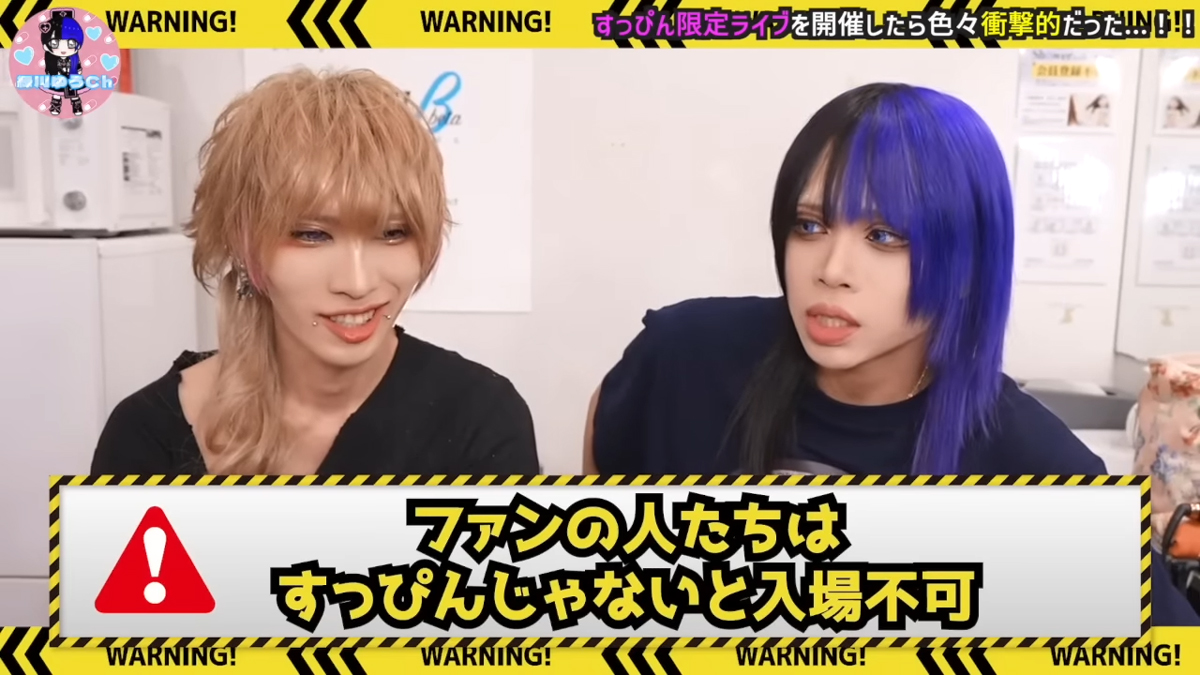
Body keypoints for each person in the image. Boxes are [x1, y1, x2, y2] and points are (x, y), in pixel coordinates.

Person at [582, 83, 1200, 624]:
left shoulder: (1034, 464)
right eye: (810, 225)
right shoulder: (687, 352)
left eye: (883, 236)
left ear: (966, 261)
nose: (832, 269)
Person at [92, 68, 539, 476]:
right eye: (311, 235)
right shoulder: (146, 434)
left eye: (393, 233)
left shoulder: (482, 419)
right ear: (241, 241)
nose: (358, 283)